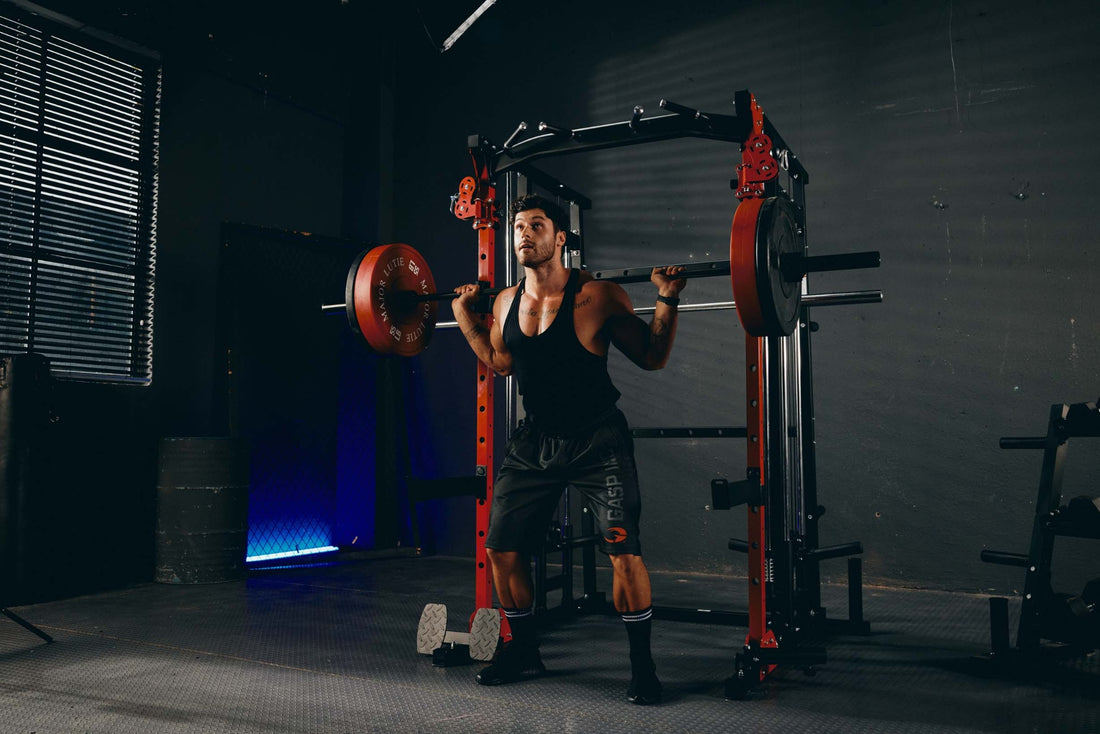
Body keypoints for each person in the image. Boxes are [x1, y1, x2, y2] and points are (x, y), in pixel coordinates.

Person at [450, 193, 686, 705]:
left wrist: (667, 297)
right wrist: (464, 315)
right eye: (517, 226)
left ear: (561, 239)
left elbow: (652, 357)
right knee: (501, 551)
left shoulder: (597, 297)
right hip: (535, 441)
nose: (523, 233)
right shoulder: (506, 302)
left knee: (623, 552)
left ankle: (642, 668)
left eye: (536, 225)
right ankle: (524, 649)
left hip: (598, 440)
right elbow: (501, 361)